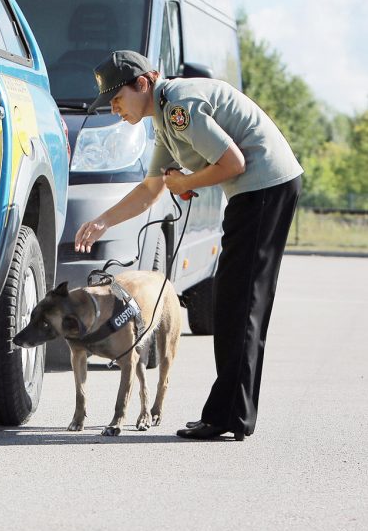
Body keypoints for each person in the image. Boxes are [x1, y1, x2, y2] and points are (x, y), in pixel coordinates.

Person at [75, 50, 303, 441]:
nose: (114, 109)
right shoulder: (163, 118)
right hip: (255, 193)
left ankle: (228, 416)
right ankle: (232, 414)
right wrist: (102, 221)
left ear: (143, 83)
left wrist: (187, 182)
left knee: (241, 304)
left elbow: (233, 163)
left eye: (116, 98)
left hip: (264, 188)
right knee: (235, 303)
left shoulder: (179, 106)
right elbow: (151, 190)